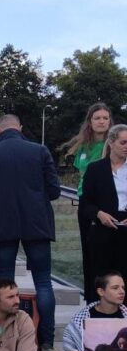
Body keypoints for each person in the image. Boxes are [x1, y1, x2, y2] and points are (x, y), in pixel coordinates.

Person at [0, 114, 60, 351]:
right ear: (20, 128)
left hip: (2, 224)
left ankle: (6, 341)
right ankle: (47, 342)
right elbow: (54, 191)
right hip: (37, 224)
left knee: (4, 284)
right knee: (43, 282)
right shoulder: (40, 151)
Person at [66, 104, 115, 301]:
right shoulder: (84, 147)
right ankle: (91, 299)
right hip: (87, 203)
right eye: (97, 118)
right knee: (89, 253)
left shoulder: (115, 145)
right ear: (90, 121)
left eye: (105, 117)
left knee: (110, 255)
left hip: (109, 202)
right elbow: (81, 173)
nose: (102, 121)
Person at [79, 123, 127, 306]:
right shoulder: (96, 169)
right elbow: (85, 203)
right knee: (101, 275)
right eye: (123, 142)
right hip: (103, 230)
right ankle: (97, 316)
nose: (126, 146)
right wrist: (99, 214)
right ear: (112, 142)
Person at [63, 272, 127, 351]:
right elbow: (69, 343)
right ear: (101, 292)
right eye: (115, 288)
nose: (122, 291)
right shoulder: (82, 317)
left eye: (123, 287)